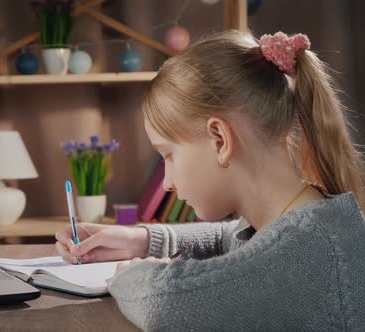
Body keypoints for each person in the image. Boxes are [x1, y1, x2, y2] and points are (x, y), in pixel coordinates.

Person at [55, 30, 365, 330]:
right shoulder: (308, 221)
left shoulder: (299, 258)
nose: (166, 183)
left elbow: (162, 303)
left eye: (168, 155)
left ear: (220, 140)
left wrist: (131, 273)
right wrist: (140, 240)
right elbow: (229, 237)